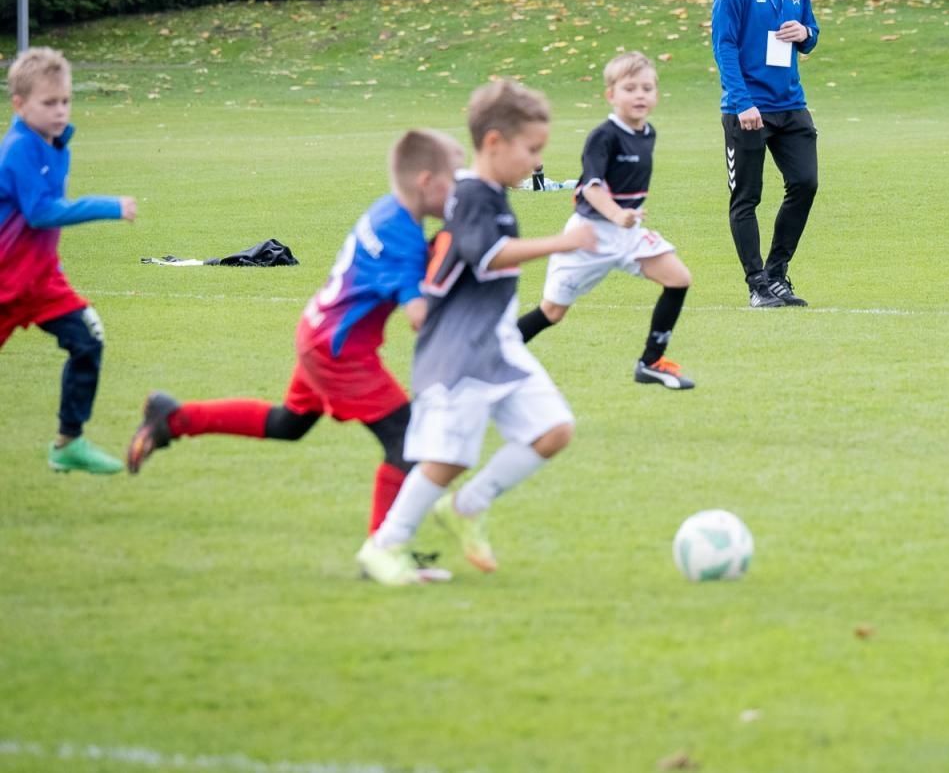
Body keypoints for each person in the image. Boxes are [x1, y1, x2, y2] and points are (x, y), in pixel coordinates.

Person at [127, 130, 463, 571]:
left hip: (317, 332)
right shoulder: (400, 235)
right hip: (339, 351)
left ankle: (173, 418)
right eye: (455, 180)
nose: (460, 190)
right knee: (406, 439)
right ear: (426, 182)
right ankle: (383, 552)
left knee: (290, 423)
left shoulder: (389, 212)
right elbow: (419, 316)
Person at [357, 80, 597, 586]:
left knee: (554, 429)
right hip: (459, 348)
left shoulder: (490, 194)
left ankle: (468, 506)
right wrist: (563, 241)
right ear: (494, 143)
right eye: (531, 150)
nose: (536, 163)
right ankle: (384, 546)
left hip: (496, 341)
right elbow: (485, 256)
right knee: (445, 458)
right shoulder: (469, 196)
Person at [517, 51, 695, 390]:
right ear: (611, 95)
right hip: (589, 235)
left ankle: (651, 361)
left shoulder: (648, 133)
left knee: (678, 278)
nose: (640, 95)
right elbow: (592, 187)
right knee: (552, 312)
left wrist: (625, 219)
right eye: (630, 88)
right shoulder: (604, 136)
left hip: (627, 233)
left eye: (647, 88)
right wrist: (617, 214)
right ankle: (488, 356)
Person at [2, 47, 137, 474]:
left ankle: (68, 442)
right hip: (5, 283)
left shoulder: (56, 145)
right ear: (19, 105)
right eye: (49, 103)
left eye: (65, 101)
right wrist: (109, 206)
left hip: (41, 284)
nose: (60, 111)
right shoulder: (18, 149)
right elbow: (41, 211)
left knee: (88, 341)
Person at [711, 0, 821, 309]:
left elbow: (812, 35)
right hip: (748, 109)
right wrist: (742, 103)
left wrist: (804, 31)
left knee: (805, 184)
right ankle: (756, 284)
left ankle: (776, 273)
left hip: (791, 103)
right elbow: (723, 46)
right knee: (747, 197)